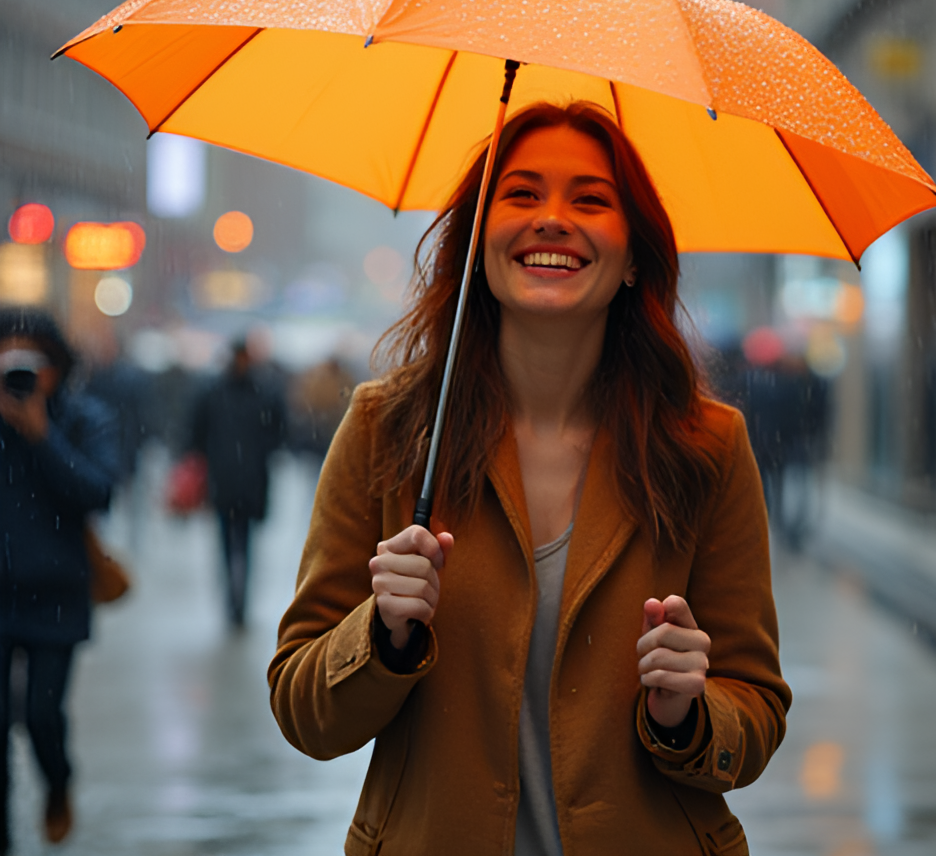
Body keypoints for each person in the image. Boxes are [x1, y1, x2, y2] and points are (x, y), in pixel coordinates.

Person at [269, 102, 791, 855]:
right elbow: (302, 710)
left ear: (634, 254)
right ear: (478, 241)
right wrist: (381, 636)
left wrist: (690, 712)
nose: (552, 219)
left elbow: (757, 711)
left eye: (590, 200)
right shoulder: (388, 429)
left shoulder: (708, 446)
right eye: (520, 194)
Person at [0, 307, 118, 852]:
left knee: (43, 715)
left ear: (57, 365)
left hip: (56, 593)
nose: (22, 372)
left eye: (35, 361)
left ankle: (58, 783)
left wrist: (43, 436)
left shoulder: (82, 417)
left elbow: (98, 491)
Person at [192, 340, 286, 627]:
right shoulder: (253, 393)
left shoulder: (221, 392)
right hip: (233, 481)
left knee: (240, 545)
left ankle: (237, 600)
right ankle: (234, 600)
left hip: (241, 482)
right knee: (232, 545)